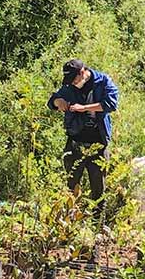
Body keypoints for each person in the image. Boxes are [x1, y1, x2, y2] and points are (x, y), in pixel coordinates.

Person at [48, 58, 118, 218]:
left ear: (82, 72)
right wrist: (57, 101)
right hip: (74, 143)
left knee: (98, 189)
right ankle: (69, 223)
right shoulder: (69, 87)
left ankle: (97, 225)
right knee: (71, 187)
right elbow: (52, 101)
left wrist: (84, 108)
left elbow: (111, 104)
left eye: (74, 79)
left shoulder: (103, 81)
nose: (72, 83)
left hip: (98, 143)